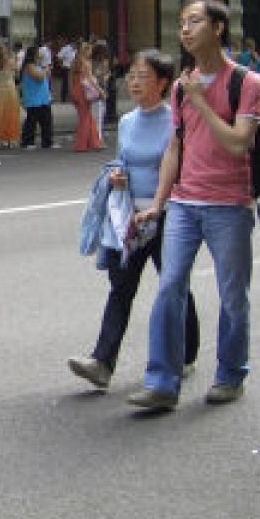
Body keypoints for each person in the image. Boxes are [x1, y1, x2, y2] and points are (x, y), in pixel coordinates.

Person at [127, 0, 260, 410]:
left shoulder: (246, 83)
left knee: (232, 294)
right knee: (170, 287)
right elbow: (175, 147)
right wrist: (159, 202)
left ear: (218, 28)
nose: (185, 30)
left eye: (194, 21)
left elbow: (239, 142)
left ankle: (230, 375)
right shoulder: (181, 88)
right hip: (185, 203)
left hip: (229, 204)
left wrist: (200, 99)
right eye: (182, 23)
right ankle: (162, 383)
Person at [68, 50, 200, 390]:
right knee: (120, 289)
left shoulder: (176, 120)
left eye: (143, 76)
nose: (135, 82)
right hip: (130, 219)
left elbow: (183, 168)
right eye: (132, 76)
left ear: (163, 82)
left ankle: (186, 354)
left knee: (173, 286)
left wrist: (161, 202)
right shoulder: (127, 122)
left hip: (168, 216)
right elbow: (124, 160)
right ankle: (102, 362)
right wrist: (118, 178)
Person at [69, 46, 104, 152]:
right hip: (84, 90)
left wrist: (71, 91)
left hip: (76, 89)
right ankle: (82, 144)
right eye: (90, 50)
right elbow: (90, 79)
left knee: (86, 116)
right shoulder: (86, 63)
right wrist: (100, 91)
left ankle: (94, 143)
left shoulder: (75, 62)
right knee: (85, 117)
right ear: (86, 51)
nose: (91, 52)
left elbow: (70, 78)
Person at [20, 45, 55, 150]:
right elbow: (39, 77)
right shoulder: (29, 66)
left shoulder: (38, 65)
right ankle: (27, 141)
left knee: (47, 120)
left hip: (43, 97)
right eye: (38, 52)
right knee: (32, 120)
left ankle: (47, 142)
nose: (40, 53)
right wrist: (46, 69)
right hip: (34, 98)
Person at [0, 42, 21, 148]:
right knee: (11, 115)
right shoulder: (10, 61)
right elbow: (16, 73)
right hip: (10, 90)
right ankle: (11, 139)